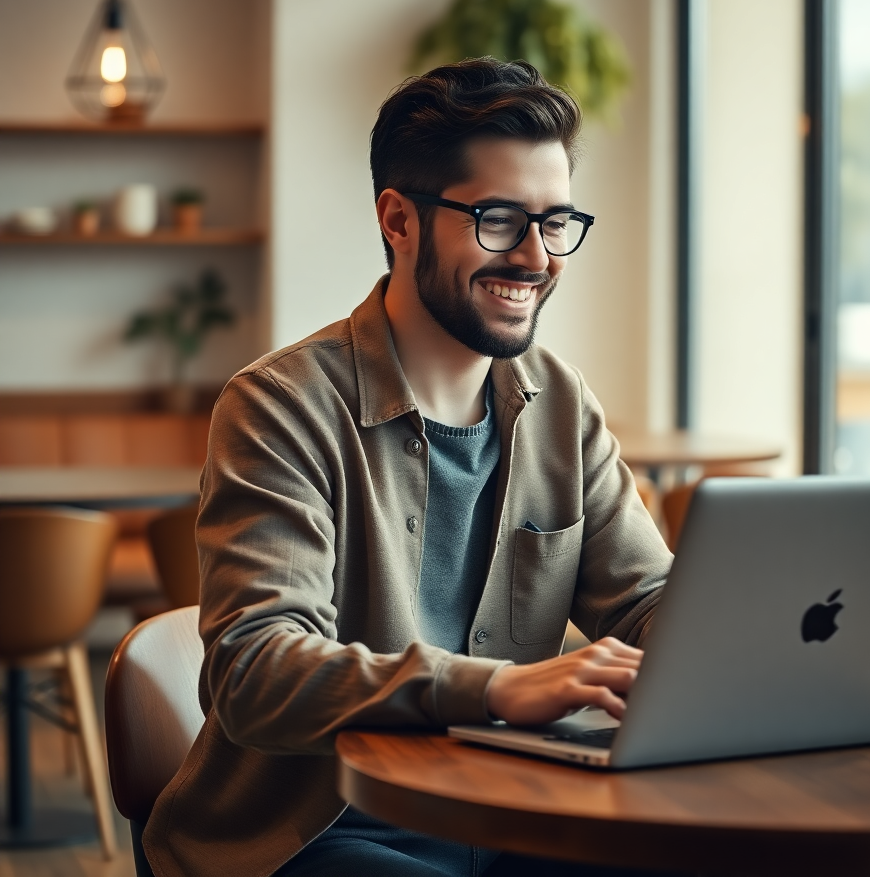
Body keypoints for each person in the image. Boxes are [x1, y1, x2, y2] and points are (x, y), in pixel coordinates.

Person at [143, 58, 672, 877]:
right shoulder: (279, 406)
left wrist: (737, 650)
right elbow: (255, 669)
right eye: (498, 219)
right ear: (398, 220)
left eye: (555, 221)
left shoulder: (561, 402)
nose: (536, 257)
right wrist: (492, 689)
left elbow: (645, 599)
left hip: (513, 811)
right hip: (319, 835)